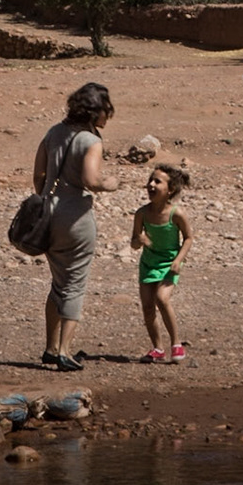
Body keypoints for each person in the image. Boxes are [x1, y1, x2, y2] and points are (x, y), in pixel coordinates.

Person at [32, 82, 118, 371]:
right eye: (107, 110)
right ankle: (65, 353)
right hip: (74, 217)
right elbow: (92, 180)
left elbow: (39, 175)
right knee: (74, 284)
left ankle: (50, 346)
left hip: (48, 212)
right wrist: (111, 183)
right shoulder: (90, 141)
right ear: (96, 112)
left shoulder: (53, 132)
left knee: (58, 282)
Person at [130, 163, 192, 363]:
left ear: (170, 189)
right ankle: (157, 348)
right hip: (148, 263)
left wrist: (178, 260)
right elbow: (134, 243)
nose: (151, 185)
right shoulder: (142, 213)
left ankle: (176, 344)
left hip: (169, 263)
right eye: (150, 180)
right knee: (147, 306)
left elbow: (189, 238)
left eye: (157, 181)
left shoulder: (177, 214)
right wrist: (139, 241)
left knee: (162, 298)